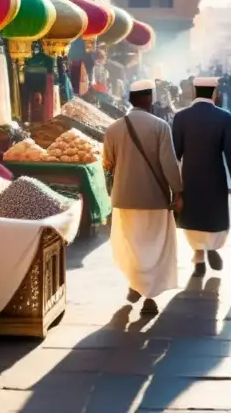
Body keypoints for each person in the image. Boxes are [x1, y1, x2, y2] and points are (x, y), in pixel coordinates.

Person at [102, 80, 184, 316]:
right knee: (154, 248)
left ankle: (134, 285)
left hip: (124, 198)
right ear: (149, 99)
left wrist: (113, 190)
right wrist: (177, 192)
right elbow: (169, 165)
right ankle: (149, 296)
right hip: (155, 199)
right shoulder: (160, 127)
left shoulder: (113, 129)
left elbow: (107, 165)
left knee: (132, 245)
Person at [172, 76, 231, 276]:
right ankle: (211, 248)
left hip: (190, 176)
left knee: (193, 217)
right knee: (213, 216)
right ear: (215, 92)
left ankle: (199, 257)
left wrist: (173, 185)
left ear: (194, 92)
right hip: (215, 176)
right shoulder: (223, 117)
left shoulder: (181, 117)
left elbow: (175, 153)